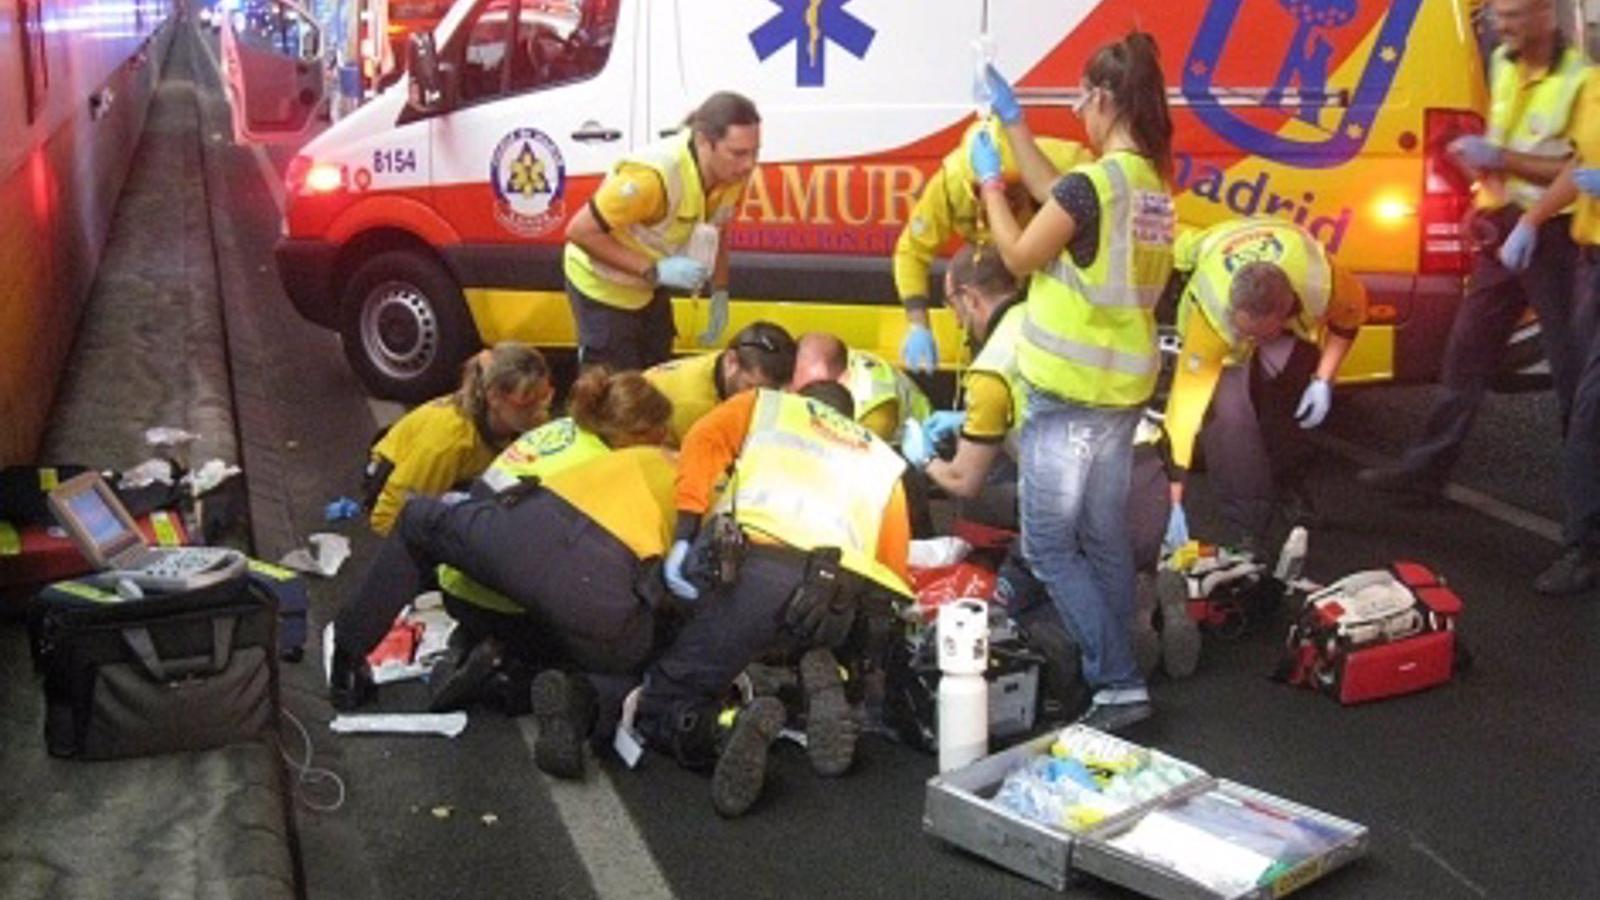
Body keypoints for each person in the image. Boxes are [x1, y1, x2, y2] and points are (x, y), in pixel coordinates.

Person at [974, 32, 1176, 732]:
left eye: (1080, 100)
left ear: (1105, 99)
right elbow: (1055, 194)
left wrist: (989, 187)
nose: (1078, 113)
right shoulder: (1147, 185)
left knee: (1050, 547)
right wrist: (1014, 123)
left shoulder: (1095, 185)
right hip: (1122, 391)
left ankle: (1117, 683)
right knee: (1102, 538)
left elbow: (1018, 255)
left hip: (1066, 393)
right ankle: (1126, 660)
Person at [627, 383, 912, 817]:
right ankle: (814, 674)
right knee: (778, 634)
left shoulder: (768, 405)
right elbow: (891, 580)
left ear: (801, 397)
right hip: (829, 600)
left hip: (749, 573)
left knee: (667, 697)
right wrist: (861, 659)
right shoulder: (882, 460)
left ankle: (723, 728)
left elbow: (702, 441)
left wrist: (685, 530)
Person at [1359, 0, 1585, 499]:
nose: (1501, 26)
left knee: (1572, 371)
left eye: (1514, 16)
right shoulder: (1504, 64)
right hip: (1503, 230)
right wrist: (1482, 201)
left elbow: (1576, 167)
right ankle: (1424, 474)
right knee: (1465, 356)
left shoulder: (1579, 82)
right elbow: (1503, 146)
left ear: (1545, 16)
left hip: (1553, 234)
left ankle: (1583, 495)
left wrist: (1505, 167)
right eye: (1498, 16)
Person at [328, 442, 681, 748]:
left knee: (417, 521)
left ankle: (347, 663)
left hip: (506, 547)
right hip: (590, 592)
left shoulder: (629, 454)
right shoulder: (700, 496)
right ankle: (574, 699)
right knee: (642, 653)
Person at [423, 368, 674, 712]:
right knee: (610, 643)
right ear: (635, 434)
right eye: (659, 436)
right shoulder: (604, 469)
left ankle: (476, 642)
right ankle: (506, 681)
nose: (663, 445)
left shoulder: (565, 429)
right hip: (504, 599)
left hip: (459, 576)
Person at [1161, 218, 1368, 550]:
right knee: (1229, 424)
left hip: (1280, 269)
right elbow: (1181, 420)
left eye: (1259, 334)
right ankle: (1247, 526)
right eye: (1244, 332)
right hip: (1215, 278)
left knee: (1292, 401)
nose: (1250, 340)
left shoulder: (1323, 281)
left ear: (1285, 312)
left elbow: (1348, 322)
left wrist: (1323, 379)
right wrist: (1173, 501)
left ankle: (1288, 483)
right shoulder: (1210, 319)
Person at [1493, 63, 1600, 594]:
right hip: (1591, 263)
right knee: (1582, 399)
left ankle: (1585, 547)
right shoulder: (1595, 88)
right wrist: (1531, 221)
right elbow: (1580, 163)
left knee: (1588, 412)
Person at [562, 91, 761, 370]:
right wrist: (653, 270)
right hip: (601, 286)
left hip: (647, 287)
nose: (749, 164)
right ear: (704, 141)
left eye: (755, 152)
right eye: (738, 153)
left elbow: (719, 230)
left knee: (657, 378)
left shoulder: (731, 176)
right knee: (614, 390)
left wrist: (720, 291)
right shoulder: (653, 178)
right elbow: (580, 232)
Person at [896, 119, 1094, 372]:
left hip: (1056, 288)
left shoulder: (1065, 164)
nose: (1003, 199)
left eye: (1012, 188)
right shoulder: (951, 184)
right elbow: (912, 252)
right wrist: (918, 325)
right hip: (1002, 289)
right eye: (991, 187)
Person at [362, 343, 552, 536]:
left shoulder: (512, 422)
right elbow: (388, 518)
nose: (541, 412)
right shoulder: (447, 444)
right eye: (528, 400)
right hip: (397, 495)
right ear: (494, 396)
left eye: (545, 397)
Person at [643, 320, 796, 445]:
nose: (760, 400)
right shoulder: (693, 406)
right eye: (751, 387)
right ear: (731, 361)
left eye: (773, 391)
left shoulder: (729, 364)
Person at [790, 333, 932, 442]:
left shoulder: (873, 409)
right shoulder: (840, 360)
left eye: (797, 374)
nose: (792, 386)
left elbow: (861, 455)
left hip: (920, 445)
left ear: (823, 373)